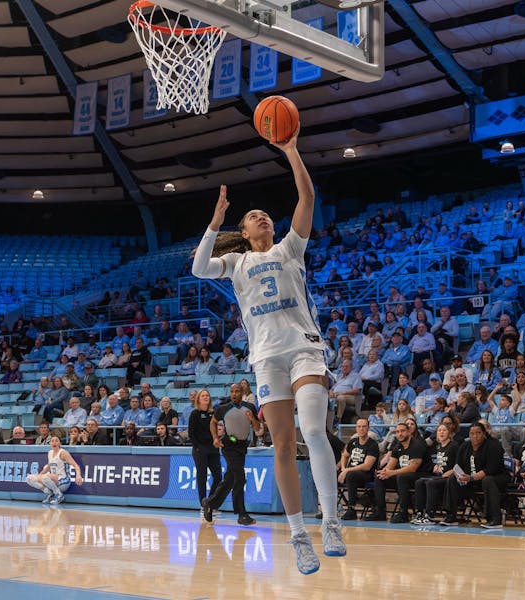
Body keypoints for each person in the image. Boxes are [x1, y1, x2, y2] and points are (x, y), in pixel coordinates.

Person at [190, 129, 345, 574]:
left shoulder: (289, 248)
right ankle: (298, 535)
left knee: (313, 431)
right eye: (252, 216)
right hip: (266, 359)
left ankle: (330, 521)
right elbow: (200, 268)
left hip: (303, 350)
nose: (261, 217)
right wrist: (215, 221)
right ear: (243, 231)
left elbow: (308, 199)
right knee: (281, 445)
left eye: (264, 214)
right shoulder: (237, 261)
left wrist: (292, 152)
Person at [201, 389, 261, 526]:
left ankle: (209, 503)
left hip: (242, 447)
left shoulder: (250, 407)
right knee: (240, 477)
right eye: (232, 391)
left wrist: (252, 419)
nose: (234, 394)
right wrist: (216, 438)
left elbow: (257, 428)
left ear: (242, 393)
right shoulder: (223, 408)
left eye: (237, 391)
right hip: (228, 445)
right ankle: (241, 514)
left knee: (230, 479)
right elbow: (213, 422)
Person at [438, 422, 508, 529]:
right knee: (452, 479)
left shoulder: (493, 445)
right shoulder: (465, 446)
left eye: (478, 433)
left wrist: (471, 478)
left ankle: (495, 519)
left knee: (487, 480)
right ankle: (451, 516)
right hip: (471, 480)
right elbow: (457, 466)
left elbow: (490, 469)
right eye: (472, 433)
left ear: (484, 433)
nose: (475, 436)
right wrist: (460, 476)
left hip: (496, 479)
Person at [364, 421, 431, 523]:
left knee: (401, 477)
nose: (400, 434)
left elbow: (412, 468)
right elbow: (391, 465)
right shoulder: (398, 446)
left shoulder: (417, 445)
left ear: (409, 432)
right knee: (379, 477)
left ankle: (404, 512)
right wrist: (384, 472)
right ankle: (380, 511)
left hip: (421, 475)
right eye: (398, 431)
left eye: (403, 431)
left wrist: (392, 473)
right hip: (404, 476)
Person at [412, 423, 459, 524]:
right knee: (419, 482)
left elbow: (459, 464)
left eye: (444, 430)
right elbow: (443, 462)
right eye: (439, 430)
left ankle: (430, 515)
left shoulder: (454, 446)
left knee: (430, 482)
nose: (441, 432)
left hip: (450, 478)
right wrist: (436, 466)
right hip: (440, 476)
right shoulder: (439, 447)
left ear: (450, 433)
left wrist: (450, 472)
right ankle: (420, 513)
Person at [338, 418, 379, 520]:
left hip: (365, 474)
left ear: (368, 428)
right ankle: (331, 508)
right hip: (350, 472)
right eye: (359, 426)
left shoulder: (372, 445)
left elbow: (367, 466)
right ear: (356, 428)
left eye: (364, 426)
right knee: (331, 475)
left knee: (351, 475)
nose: (361, 429)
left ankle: (351, 509)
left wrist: (347, 470)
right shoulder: (352, 442)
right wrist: (343, 468)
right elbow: (344, 456)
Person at [188, 389, 223, 509]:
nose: (206, 397)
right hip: (200, 449)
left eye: (207, 395)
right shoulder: (195, 414)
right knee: (202, 477)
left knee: (218, 476)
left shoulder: (214, 413)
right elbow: (191, 433)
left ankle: (210, 503)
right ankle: (203, 506)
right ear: (198, 399)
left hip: (213, 448)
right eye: (203, 395)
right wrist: (197, 447)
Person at [25, 434, 84, 504]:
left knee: (45, 477)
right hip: (51, 480)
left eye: (56, 441)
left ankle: (59, 495)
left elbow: (76, 465)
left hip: (64, 480)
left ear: (60, 443)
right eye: (52, 441)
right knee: (29, 478)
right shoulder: (50, 453)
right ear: (50, 443)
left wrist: (78, 475)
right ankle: (50, 493)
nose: (54, 443)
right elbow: (49, 466)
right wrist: (39, 475)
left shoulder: (63, 453)